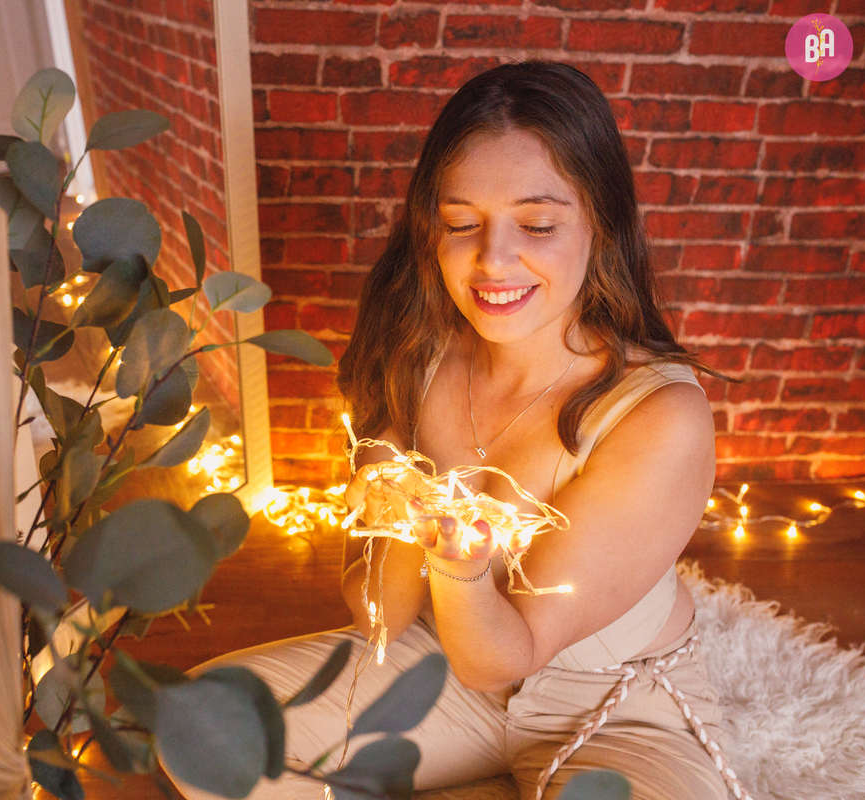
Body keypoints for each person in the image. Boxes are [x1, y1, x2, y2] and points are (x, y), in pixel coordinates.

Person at [166, 61, 738, 800]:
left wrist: (461, 564)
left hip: (615, 704)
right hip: (440, 670)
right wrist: (397, 495)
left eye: (537, 224)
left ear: (600, 222)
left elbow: (505, 654)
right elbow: (381, 610)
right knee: (200, 724)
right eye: (461, 223)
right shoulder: (417, 353)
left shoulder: (659, 414)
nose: (492, 260)